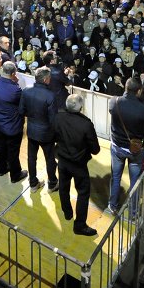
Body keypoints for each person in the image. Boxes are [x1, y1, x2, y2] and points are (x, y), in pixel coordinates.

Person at [107, 77, 144, 215]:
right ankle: (133, 211)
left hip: (117, 147)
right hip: (135, 150)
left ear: (125, 87)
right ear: (139, 91)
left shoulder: (114, 101)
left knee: (116, 177)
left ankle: (112, 206)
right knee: (134, 181)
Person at [54, 92, 100, 236]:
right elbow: (95, 150)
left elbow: (53, 135)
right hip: (78, 164)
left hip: (62, 160)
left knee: (63, 186)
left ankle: (67, 212)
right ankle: (79, 225)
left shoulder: (58, 117)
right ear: (80, 107)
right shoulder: (85, 124)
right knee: (83, 193)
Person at [19, 66, 59, 191]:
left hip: (31, 131)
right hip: (46, 133)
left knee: (31, 158)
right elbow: (53, 120)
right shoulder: (50, 96)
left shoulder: (26, 91)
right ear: (46, 79)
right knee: (50, 158)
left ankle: (33, 184)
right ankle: (52, 183)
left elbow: (21, 111)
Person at [0, 61, 28, 183]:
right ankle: (15, 175)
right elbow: (23, 105)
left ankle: (1, 169)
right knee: (13, 152)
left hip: (0, 123)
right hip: (13, 126)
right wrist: (16, 82)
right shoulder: (16, 90)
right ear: (13, 73)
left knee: (0, 147)